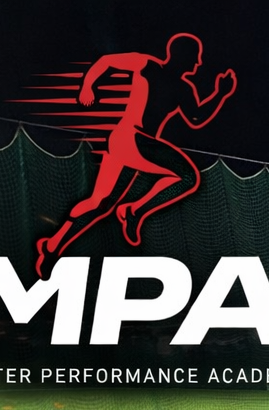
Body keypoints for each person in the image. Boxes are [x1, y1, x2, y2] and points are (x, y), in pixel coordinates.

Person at [35, 33, 236, 277]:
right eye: (195, 57)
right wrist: (88, 85)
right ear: (181, 56)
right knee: (187, 177)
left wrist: (220, 94)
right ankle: (135, 210)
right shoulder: (147, 65)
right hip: (133, 139)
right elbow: (107, 61)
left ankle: (52, 246)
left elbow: (196, 117)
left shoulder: (184, 88)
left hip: (126, 145)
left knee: (100, 204)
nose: (198, 63)